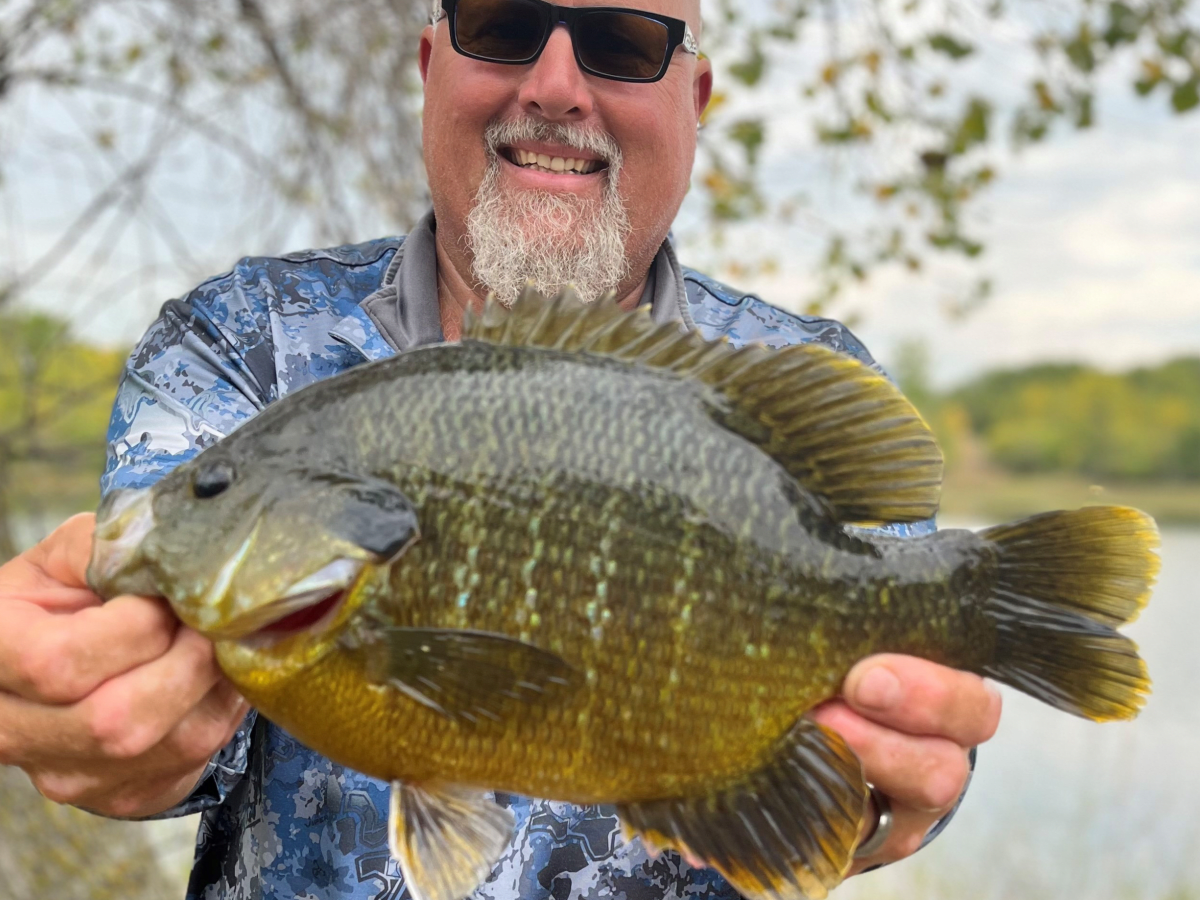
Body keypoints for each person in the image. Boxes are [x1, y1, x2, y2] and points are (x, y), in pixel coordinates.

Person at [0, 0, 1002, 897]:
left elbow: (905, 751)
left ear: (694, 99)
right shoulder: (238, 342)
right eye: (502, 27)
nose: (555, 86)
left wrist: (887, 797)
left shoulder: (800, 379)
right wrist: (94, 709)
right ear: (429, 64)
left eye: (623, 44)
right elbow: (156, 726)